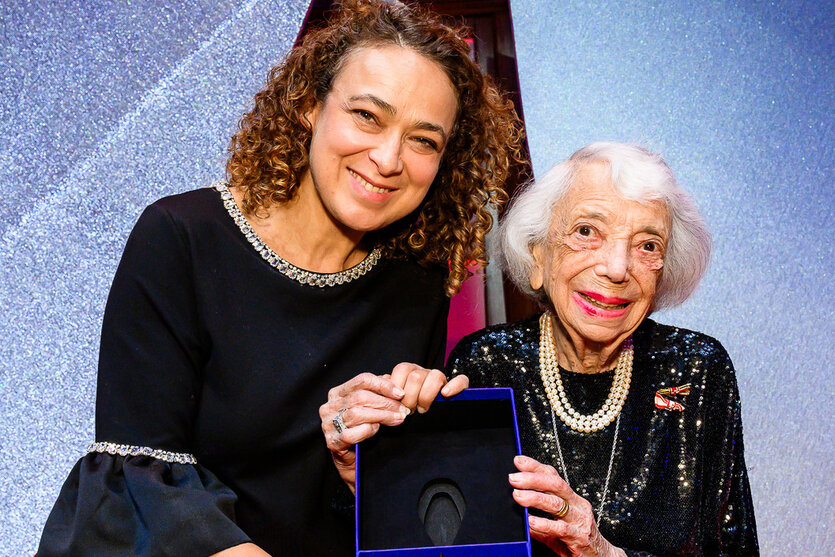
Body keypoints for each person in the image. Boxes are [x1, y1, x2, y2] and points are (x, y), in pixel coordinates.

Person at [36, 1, 524, 555]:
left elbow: (383, 515)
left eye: (424, 141)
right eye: (367, 115)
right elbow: (140, 477)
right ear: (309, 106)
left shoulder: (416, 287)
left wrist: (373, 472)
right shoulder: (182, 236)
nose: (389, 158)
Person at [448, 142, 758, 556]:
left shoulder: (696, 370)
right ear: (538, 255)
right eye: (586, 232)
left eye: (648, 245)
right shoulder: (487, 363)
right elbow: (442, 536)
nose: (616, 268)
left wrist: (603, 553)